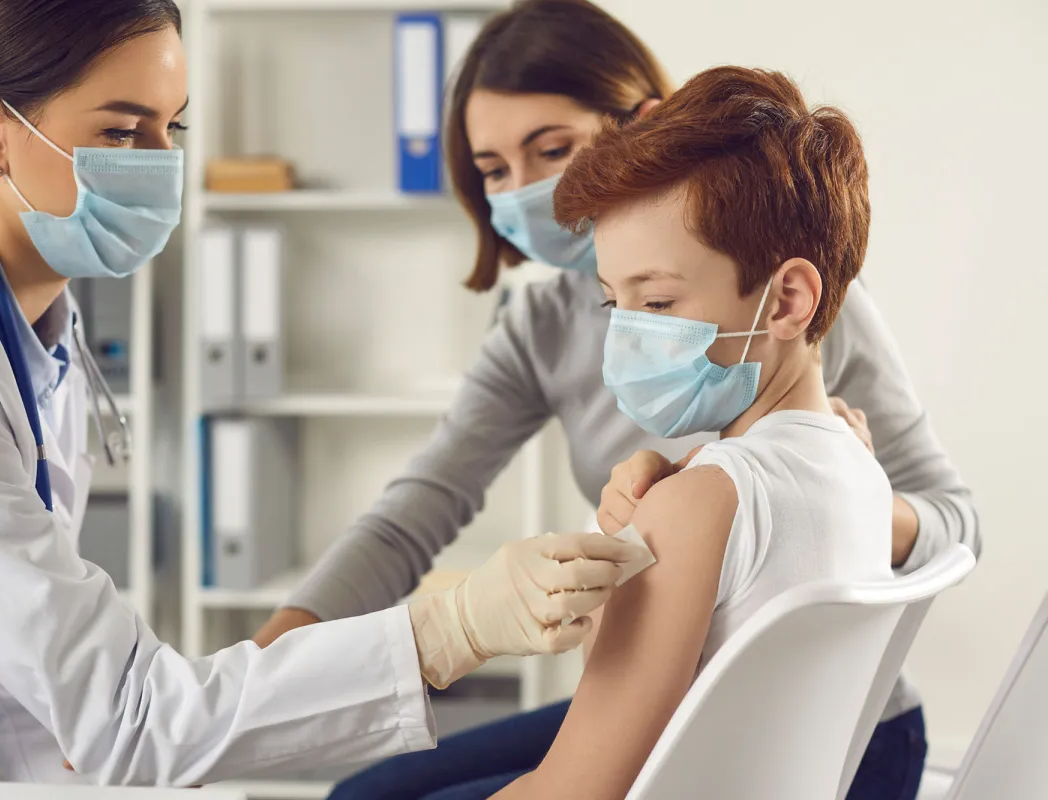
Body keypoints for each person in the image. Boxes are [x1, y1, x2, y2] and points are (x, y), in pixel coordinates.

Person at [0, 0, 644, 786]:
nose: (159, 165)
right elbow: (117, 711)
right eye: (122, 134)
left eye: (172, 129)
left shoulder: (30, 323)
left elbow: (28, 663)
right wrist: (450, 629)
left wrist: (135, 739)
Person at [254, 2, 979, 799]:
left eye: (552, 150)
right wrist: (260, 681)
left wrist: (764, 500)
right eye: (494, 170)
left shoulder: (786, 296)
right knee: (370, 792)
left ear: (642, 126)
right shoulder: (541, 330)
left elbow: (950, 520)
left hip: (835, 722)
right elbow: (417, 509)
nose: (528, 192)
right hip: (703, 690)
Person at [492, 63, 891, 798]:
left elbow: (575, 790)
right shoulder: (859, 466)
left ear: (788, 300)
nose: (628, 339)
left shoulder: (703, 501)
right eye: (617, 305)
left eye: (660, 301)